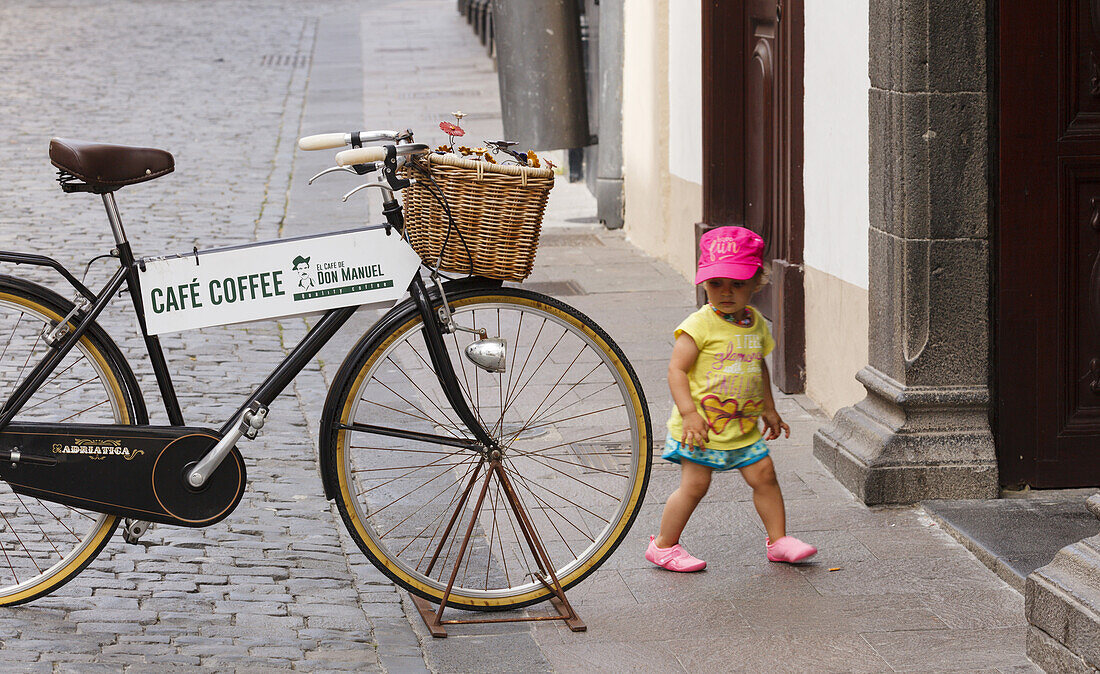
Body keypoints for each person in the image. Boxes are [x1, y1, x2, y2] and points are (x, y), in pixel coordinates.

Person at [645, 226, 816, 572]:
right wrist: (689, 414)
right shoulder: (698, 325)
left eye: (737, 284)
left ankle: (778, 540)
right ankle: (663, 546)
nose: (725, 292)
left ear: (758, 282)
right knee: (695, 485)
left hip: (742, 427)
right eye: (716, 283)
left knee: (764, 474)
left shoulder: (754, 323)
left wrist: (769, 408)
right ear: (704, 282)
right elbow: (676, 371)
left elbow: (759, 367)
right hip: (701, 428)